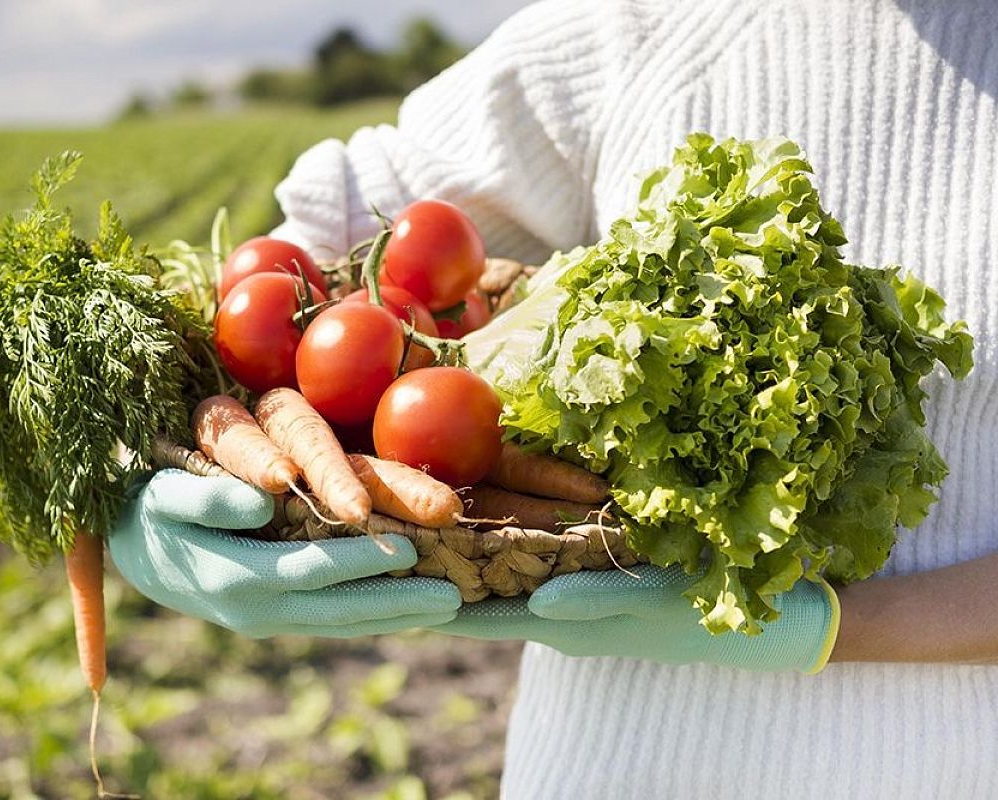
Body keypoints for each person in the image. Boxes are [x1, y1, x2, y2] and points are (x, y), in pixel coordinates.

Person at [111, 0, 998, 795]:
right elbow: (306, 256)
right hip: (610, 768)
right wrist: (128, 473)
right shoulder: (649, 26)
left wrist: (816, 626)